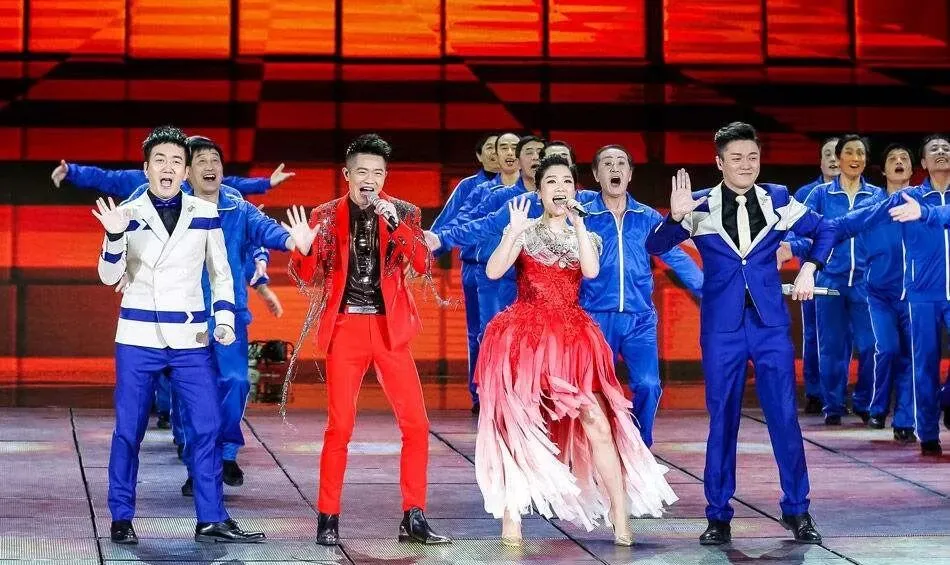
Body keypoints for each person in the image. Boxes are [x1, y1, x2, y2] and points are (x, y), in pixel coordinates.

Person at [475, 155, 677, 547]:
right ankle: (511, 518)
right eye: (551, 182)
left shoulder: (588, 234)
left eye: (566, 181)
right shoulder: (524, 231)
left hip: (571, 339)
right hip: (526, 338)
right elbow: (494, 271)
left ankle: (620, 516)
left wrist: (580, 225)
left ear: (575, 189)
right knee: (519, 424)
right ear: (539, 191)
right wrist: (512, 234)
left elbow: (591, 271)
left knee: (597, 421)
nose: (560, 188)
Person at [646, 122, 831, 545]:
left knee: (784, 416)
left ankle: (797, 509)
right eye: (736, 158)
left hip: (769, 326)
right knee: (723, 419)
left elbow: (827, 230)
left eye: (752, 157)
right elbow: (656, 246)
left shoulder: (777, 198)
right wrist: (675, 218)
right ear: (719, 163)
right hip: (722, 329)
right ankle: (717, 515)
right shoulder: (699, 204)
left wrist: (808, 267)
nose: (746, 165)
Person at [93, 125, 263, 544]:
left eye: (175, 161)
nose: (168, 168)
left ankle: (211, 518)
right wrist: (113, 236)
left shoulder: (204, 213)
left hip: (190, 339)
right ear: (146, 168)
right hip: (138, 337)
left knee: (207, 426)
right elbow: (108, 276)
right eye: (160, 161)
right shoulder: (127, 213)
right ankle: (121, 517)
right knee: (128, 430)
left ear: (185, 171)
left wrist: (224, 320)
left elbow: (221, 274)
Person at [284, 134, 451, 546]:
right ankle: (328, 518)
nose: (370, 180)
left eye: (378, 172)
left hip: (390, 330)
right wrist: (302, 251)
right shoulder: (325, 215)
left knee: (416, 424)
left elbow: (423, 263)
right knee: (340, 426)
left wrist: (397, 225)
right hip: (346, 328)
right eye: (362, 171)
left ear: (385, 176)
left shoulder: (405, 212)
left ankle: (414, 516)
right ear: (347, 174)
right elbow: (308, 276)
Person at [122, 135, 295, 495]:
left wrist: (294, 241)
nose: (210, 166)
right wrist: (123, 259)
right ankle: (196, 464)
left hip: (230, 313)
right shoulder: (171, 205)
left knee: (236, 382)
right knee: (190, 395)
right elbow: (129, 219)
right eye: (200, 161)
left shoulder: (238, 207)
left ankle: (226, 450)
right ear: (188, 171)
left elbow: (266, 233)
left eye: (215, 160)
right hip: (184, 317)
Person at [831, 133, 950, 456]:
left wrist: (928, 214)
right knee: (919, 364)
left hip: (937, 295)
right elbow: (856, 220)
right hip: (918, 295)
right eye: (934, 149)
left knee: (920, 366)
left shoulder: (922, 206)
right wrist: (810, 235)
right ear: (924, 162)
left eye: (946, 148)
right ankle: (924, 431)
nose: (941, 152)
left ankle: (945, 400)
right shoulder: (907, 198)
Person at [800, 135, 883, 425]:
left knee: (871, 345)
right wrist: (792, 251)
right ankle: (833, 405)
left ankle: (864, 402)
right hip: (829, 282)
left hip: (866, 284)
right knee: (832, 348)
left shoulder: (877, 196)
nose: (855, 158)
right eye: (849, 152)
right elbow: (802, 231)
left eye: (861, 153)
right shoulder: (820, 195)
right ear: (839, 157)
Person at [428, 132, 499, 412]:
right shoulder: (470, 187)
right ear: (479, 156)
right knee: (479, 333)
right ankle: (480, 395)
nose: (496, 153)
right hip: (477, 270)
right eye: (490, 148)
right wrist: (425, 254)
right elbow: (449, 223)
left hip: (515, 271)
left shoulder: (526, 188)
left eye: (503, 148)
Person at [857, 144, 915, 440]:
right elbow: (845, 233)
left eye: (904, 158)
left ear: (914, 168)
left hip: (915, 294)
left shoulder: (923, 203)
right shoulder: (871, 205)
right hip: (880, 294)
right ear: (883, 170)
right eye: (893, 158)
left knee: (911, 356)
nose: (899, 161)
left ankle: (905, 420)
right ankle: (878, 406)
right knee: (889, 349)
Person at [786, 137, 839, 414]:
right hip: (814, 275)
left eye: (837, 154)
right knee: (814, 335)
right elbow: (794, 236)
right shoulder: (807, 193)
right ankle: (816, 392)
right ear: (820, 161)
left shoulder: (868, 194)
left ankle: (847, 397)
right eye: (827, 154)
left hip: (855, 277)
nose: (833, 159)